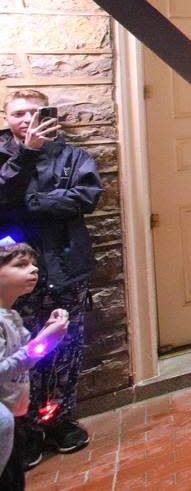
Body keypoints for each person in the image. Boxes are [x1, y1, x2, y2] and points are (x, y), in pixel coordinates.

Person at [0, 89, 101, 468]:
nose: (27, 119)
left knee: (64, 349)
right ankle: (23, 431)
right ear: (6, 117)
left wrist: (32, 203)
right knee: (17, 353)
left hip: (66, 268)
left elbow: (85, 198)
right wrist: (26, 155)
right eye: (18, 113)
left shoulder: (73, 157)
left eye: (35, 112)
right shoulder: (5, 157)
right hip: (12, 277)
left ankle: (58, 421)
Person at [0, 240, 68, 489]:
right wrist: (42, 342)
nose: (33, 270)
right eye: (21, 265)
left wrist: (49, 333)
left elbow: (27, 354)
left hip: (12, 415)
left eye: (34, 265)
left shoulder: (13, 316)